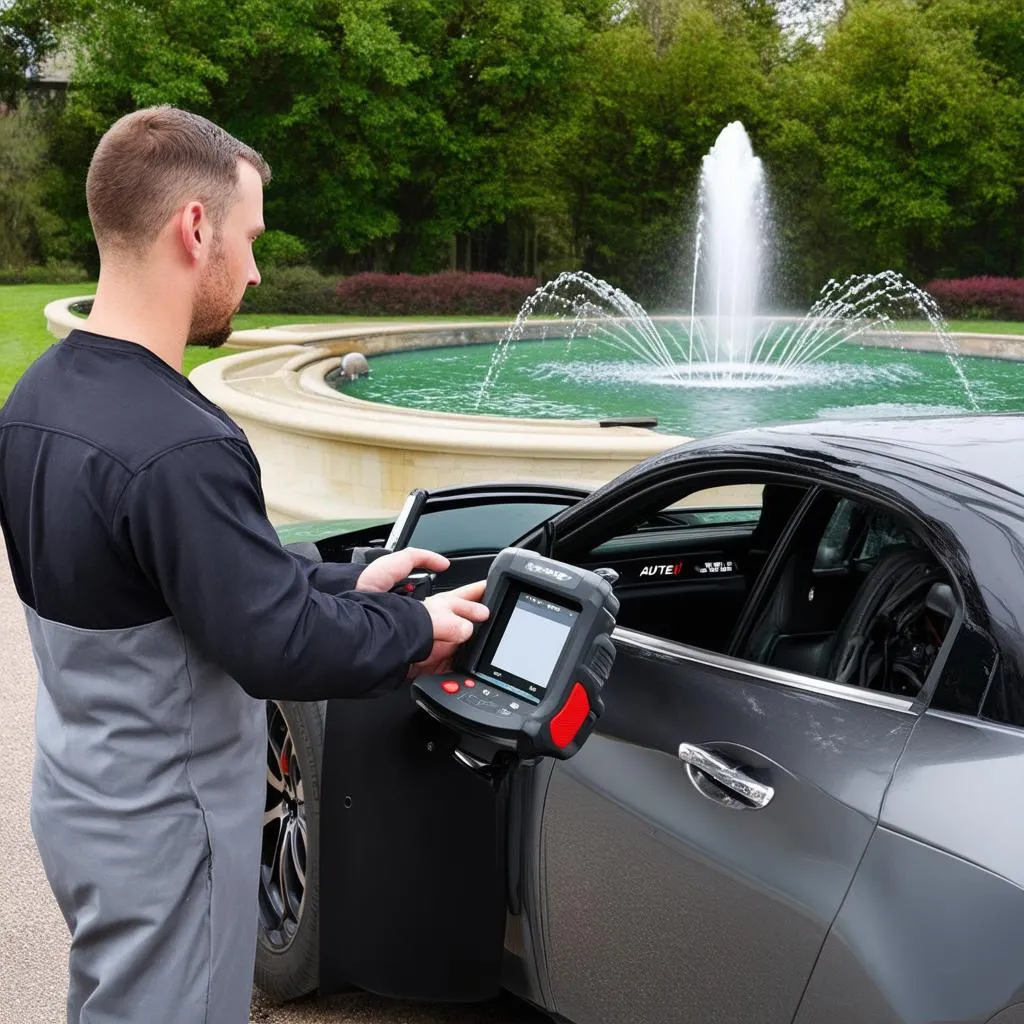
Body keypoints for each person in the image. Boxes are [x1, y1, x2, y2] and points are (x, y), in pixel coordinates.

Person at [0, 106, 489, 1024]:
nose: (257, 268)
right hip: (168, 826)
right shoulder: (179, 444)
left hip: (81, 797)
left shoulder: (39, 398)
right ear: (195, 227)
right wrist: (417, 628)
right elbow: (274, 645)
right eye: (251, 236)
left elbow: (179, 590)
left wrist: (349, 583)